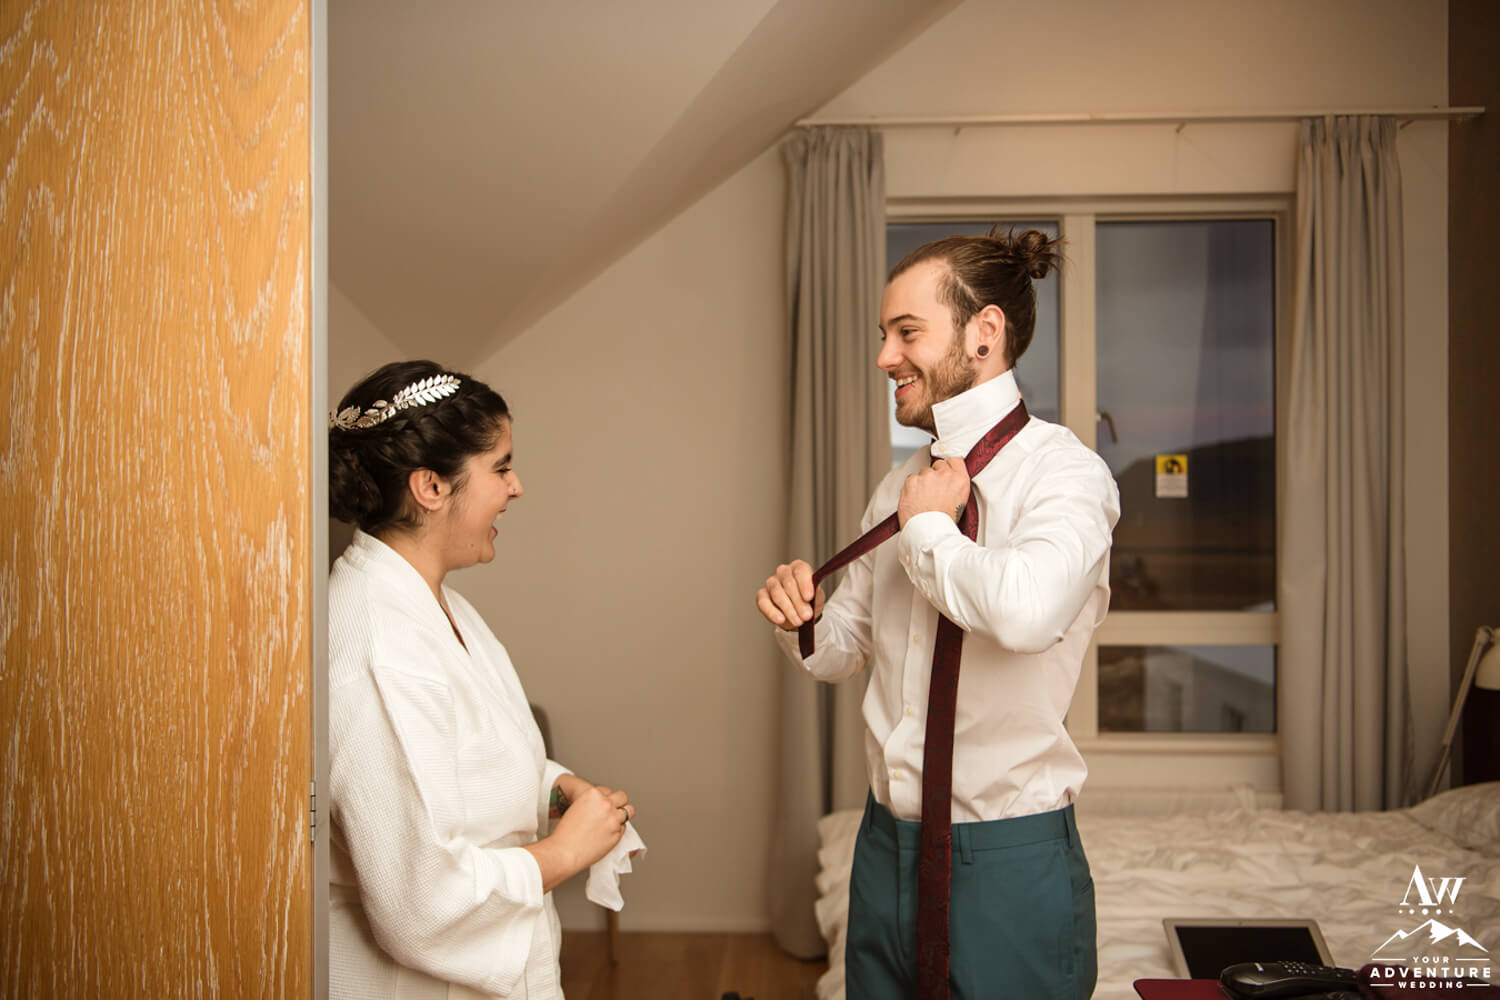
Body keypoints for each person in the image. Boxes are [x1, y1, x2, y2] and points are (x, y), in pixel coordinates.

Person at [755, 229, 1119, 1000]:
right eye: (884, 335)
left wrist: (928, 531)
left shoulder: (1067, 476)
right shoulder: (899, 486)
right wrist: (802, 619)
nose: (884, 357)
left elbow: (1026, 614)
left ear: (984, 332)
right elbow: (847, 645)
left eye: (906, 332)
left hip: (1009, 859)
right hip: (884, 846)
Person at [327, 360, 636, 999]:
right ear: (431, 486)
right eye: (500, 467)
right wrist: (564, 853)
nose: (516, 487)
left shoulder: (441, 606)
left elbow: (468, 758)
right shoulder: (381, 649)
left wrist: (556, 790)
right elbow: (419, 904)